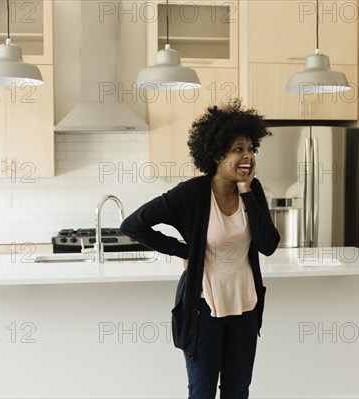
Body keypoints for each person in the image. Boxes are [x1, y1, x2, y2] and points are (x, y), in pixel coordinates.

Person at [120, 99, 280, 398]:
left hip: (245, 306)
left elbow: (268, 245)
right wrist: (185, 252)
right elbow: (133, 225)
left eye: (250, 149)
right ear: (217, 154)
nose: (248, 156)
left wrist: (246, 191)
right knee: (202, 391)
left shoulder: (253, 190)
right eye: (238, 149)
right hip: (203, 308)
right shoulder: (192, 193)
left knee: (237, 391)